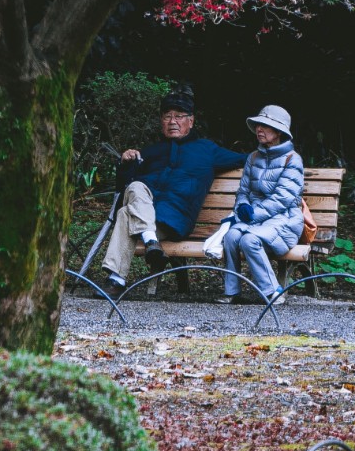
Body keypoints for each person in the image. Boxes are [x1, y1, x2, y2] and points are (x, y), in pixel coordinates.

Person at [100, 87, 245, 294]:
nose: (172, 121)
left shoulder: (207, 150)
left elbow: (245, 159)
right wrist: (125, 164)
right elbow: (122, 190)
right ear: (161, 122)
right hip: (146, 220)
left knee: (127, 214)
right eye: (167, 116)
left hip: (173, 222)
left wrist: (277, 150)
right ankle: (148, 243)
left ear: (191, 121)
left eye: (179, 116)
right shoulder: (149, 152)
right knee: (133, 192)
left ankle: (116, 280)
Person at [220, 104, 306, 305]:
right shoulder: (253, 157)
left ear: (278, 132)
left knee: (249, 240)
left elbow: (282, 199)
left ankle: (272, 292)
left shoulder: (292, 159)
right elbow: (243, 191)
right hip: (256, 218)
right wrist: (242, 206)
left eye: (265, 126)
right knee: (231, 236)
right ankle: (232, 292)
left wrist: (252, 214)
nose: (259, 129)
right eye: (258, 125)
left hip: (285, 219)